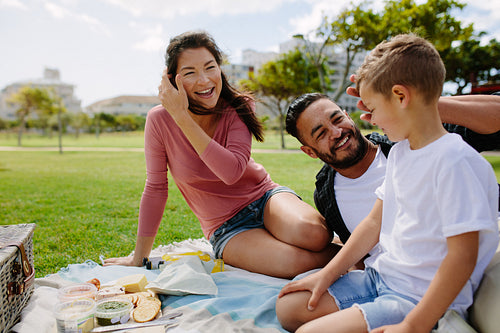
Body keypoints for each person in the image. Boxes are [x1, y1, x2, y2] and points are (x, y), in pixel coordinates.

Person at [276, 34, 499, 332]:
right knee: (288, 309)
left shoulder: (454, 160)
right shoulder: (401, 153)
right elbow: (372, 223)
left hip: (416, 299)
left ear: (401, 97)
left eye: (374, 109)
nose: (369, 120)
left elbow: (463, 256)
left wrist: (412, 325)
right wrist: (326, 275)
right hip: (383, 278)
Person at [103, 30, 338, 279]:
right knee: (294, 263)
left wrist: (182, 117)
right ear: (173, 80)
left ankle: (360, 252)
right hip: (227, 227)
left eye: (209, 67)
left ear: (219, 68)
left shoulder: (238, 106)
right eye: (190, 73)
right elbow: (156, 188)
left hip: (265, 197)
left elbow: (231, 171)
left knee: (315, 234)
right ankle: (361, 255)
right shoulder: (159, 120)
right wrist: (139, 256)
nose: (204, 81)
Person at [285, 81, 500, 247]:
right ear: (310, 152)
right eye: (321, 133)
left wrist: (417, 108)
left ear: (348, 116)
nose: (337, 132)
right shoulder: (326, 195)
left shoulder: (410, 139)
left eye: (337, 119)